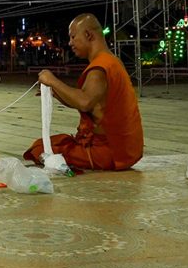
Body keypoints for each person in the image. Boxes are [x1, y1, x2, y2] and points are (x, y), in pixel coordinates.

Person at [25, 13, 144, 170]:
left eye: (73, 37)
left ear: (88, 35)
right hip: (126, 148)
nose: (70, 43)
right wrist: (56, 93)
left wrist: (52, 80)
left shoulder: (100, 68)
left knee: (40, 149)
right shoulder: (111, 61)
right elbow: (87, 104)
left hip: (109, 151)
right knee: (54, 142)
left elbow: (85, 102)